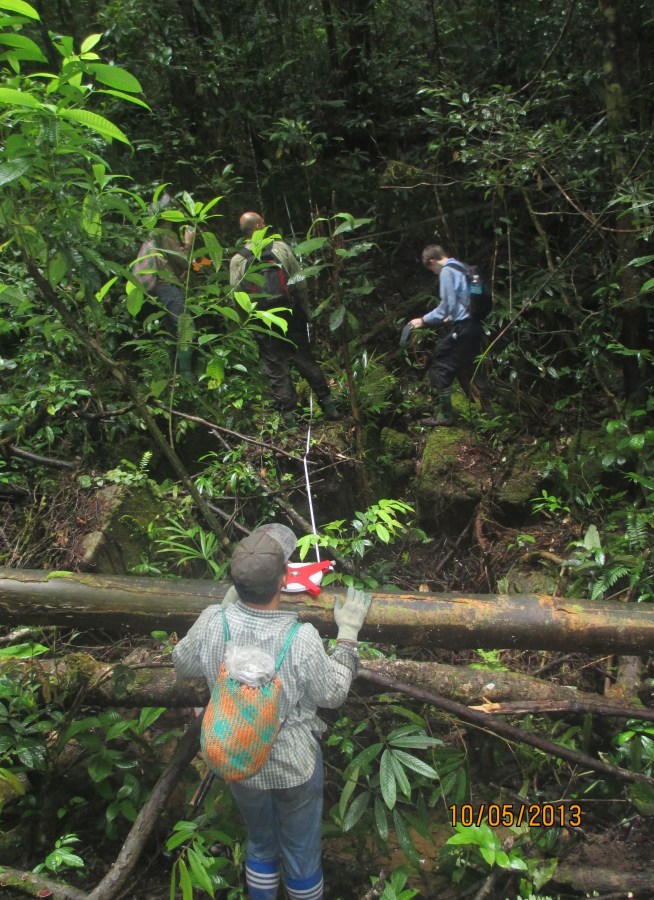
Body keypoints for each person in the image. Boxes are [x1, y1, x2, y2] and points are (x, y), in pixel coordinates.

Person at [172, 523, 372, 900]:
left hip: (238, 760)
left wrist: (226, 608)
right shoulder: (300, 638)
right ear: (284, 579)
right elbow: (332, 694)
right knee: (301, 855)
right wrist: (348, 634)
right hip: (294, 766)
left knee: (262, 845)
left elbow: (182, 664)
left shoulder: (214, 620)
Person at [229, 212, 340, 429]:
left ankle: (290, 421)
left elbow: (236, 297)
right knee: (304, 358)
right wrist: (306, 312)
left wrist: (248, 322)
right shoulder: (280, 248)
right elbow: (299, 282)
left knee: (275, 367)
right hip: (290, 315)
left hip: (262, 321)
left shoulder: (238, 260)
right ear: (260, 225)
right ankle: (329, 406)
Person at [407, 244, 493, 425]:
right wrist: (451, 316)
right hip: (474, 327)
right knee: (472, 368)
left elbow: (446, 305)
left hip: (464, 328)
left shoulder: (446, 271)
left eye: (432, 270)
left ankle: (445, 415)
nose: (435, 274)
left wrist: (423, 320)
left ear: (432, 261)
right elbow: (462, 300)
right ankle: (490, 418)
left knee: (439, 362)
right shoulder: (460, 266)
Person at [135, 194, 195, 379]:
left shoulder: (154, 234)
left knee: (174, 330)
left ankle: (174, 378)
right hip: (167, 285)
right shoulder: (165, 233)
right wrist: (189, 241)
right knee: (186, 329)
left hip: (161, 286)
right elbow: (183, 260)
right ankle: (186, 377)